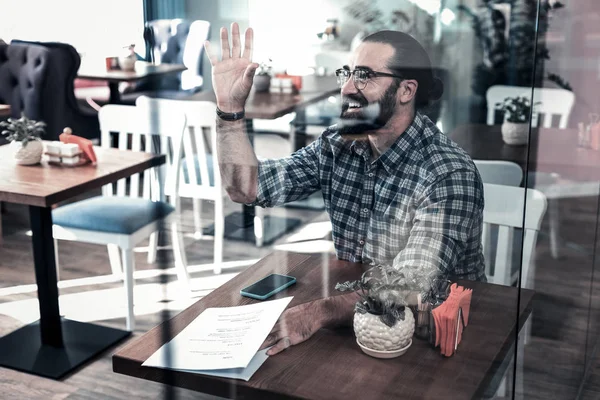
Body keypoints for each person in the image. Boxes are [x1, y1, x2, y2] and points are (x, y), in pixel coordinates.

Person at [204, 23, 485, 356]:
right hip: (356, 317)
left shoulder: (446, 174)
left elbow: (409, 286)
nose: (348, 88)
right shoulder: (339, 144)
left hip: (437, 334)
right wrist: (230, 111)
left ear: (406, 90)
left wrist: (318, 312)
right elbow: (246, 188)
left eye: (364, 76)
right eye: (347, 74)